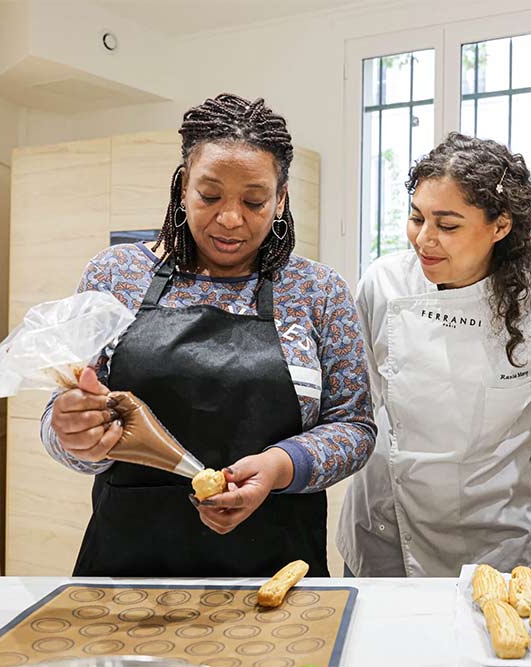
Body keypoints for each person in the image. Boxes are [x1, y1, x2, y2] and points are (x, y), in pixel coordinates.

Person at [41, 94, 376, 577]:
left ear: (281, 199)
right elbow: (63, 416)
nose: (231, 219)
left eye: (254, 201)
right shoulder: (115, 275)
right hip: (127, 569)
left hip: (278, 568)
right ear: (183, 188)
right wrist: (74, 435)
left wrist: (281, 465)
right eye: (210, 196)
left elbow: (355, 426)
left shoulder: (318, 291)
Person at [338, 132, 531, 577]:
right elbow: (367, 399)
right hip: (385, 525)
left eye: (448, 225)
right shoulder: (383, 284)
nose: (424, 239)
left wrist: (509, 482)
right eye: (416, 218)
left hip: (495, 535)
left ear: (500, 226)